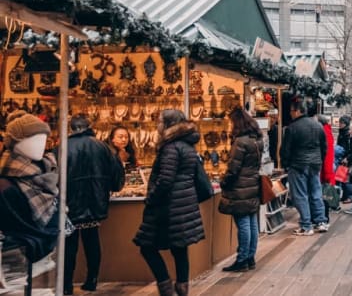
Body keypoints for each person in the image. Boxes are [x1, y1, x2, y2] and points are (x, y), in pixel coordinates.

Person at [134, 110, 205, 296]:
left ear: (168, 124)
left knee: (146, 246)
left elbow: (166, 179)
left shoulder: (171, 147)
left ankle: (165, 288)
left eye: (160, 121)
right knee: (179, 247)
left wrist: (151, 198)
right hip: (184, 204)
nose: (157, 125)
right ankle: (182, 288)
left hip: (168, 206)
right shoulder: (188, 145)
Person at [64, 115, 125, 294]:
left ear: (71, 128)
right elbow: (116, 179)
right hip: (95, 202)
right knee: (92, 240)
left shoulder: (62, 148)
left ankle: (67, 284)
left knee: (69, 244)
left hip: (70, 203)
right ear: (89, 127)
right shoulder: (103, 147)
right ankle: (92, 280)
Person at [0, 112, 59, 265]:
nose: (40, 144)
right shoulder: (6, 185)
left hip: (37, 256)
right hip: (17, 256)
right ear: (15, 142)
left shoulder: (46, 172)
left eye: (43, 139)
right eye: (33, 139)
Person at [219, 107, 263, 272]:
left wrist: (224, 181)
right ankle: (250, 257)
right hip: (252, 184)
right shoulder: (256, 139)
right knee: (251, 222)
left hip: (240, 187)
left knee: (244, 223)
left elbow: (233, 168)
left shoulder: (240, 142)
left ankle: (242, 259)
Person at [280, 99, 328, 236]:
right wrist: (320, 160)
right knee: (316, 193)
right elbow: (324, 147)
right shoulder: (318, 126)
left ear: (297, 111)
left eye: (291, 111)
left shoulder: (292, 127)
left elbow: (285, 150)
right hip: (315, 164)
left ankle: (306, 225)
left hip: (298, 164)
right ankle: (320, 222)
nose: (290, 114)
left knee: (300, 195)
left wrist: (285, 164)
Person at [318, 115, 337, 216]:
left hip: (325, 172)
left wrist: (327, 175)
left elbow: (328, 156)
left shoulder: (325, 133)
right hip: (325, 171)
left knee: (324, 196)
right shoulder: (326, 132)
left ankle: (324, 218)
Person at [337, 115, 352, 203]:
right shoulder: (342, 132)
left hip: (345, 158)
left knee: (346, 179)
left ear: (345, 123)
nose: (339, 124)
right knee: (341, 178)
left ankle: (350, 196)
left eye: (341, 122)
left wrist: (346, 157)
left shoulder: (347, 134)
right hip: (342, 157)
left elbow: (348, 147)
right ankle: (345, 196)